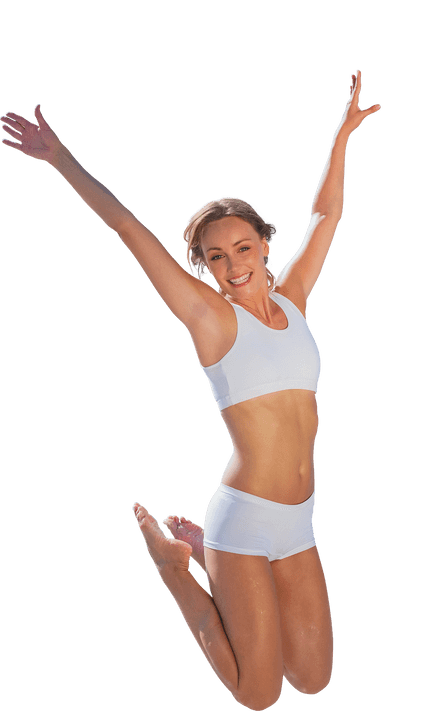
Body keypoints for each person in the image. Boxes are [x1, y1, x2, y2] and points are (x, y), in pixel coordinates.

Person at [1, 69, 380, 709]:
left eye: (242, 247)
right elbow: (129, 230)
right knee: (260, 697)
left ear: (264, 243)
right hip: (245, 514)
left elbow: (325, 212)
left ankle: (210, 562)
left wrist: (340, 136)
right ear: (203, 267)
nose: (233, 266)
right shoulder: (212, 320)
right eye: (215, 257)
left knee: (312, 679)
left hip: (299, 518)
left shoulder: (294, 300)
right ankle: (180, 569)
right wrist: (60, 157)